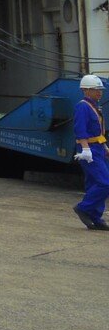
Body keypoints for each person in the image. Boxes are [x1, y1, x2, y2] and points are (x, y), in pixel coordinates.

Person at [72, 73, 109, 231]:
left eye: (100, 89)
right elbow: (80, 130)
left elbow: (98, 132)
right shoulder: (82, 106)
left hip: (97, 147)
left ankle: (96, 217)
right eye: (96, 89)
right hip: (89, 149)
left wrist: (105, 147)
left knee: (94, 183)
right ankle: (83, 208)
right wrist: (86, 149)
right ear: (86, 90)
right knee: (104, 183)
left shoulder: (95, 106)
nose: (99, 92)